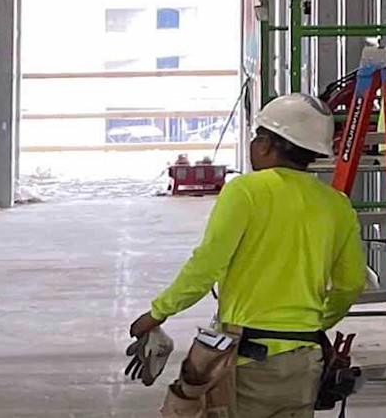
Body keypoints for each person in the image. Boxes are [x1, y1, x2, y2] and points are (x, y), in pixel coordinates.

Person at [129, 94, 368, 418]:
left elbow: (206, 266)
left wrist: (158, 313)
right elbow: (350, 284)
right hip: (305, 361)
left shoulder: (245, 192)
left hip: (249, 359)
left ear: (267, 146)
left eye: (257, 138)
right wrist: (311, 325)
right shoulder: (336, 204)